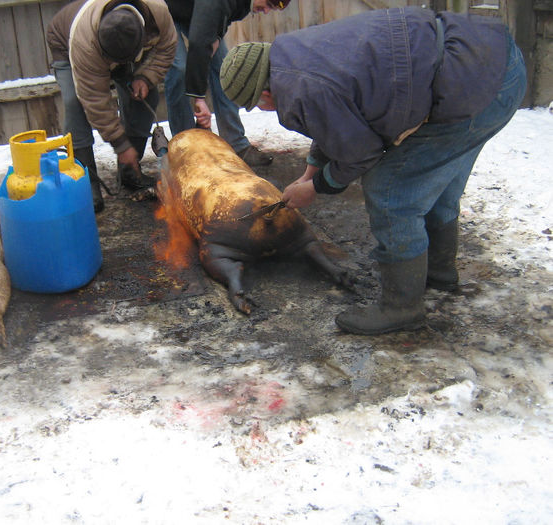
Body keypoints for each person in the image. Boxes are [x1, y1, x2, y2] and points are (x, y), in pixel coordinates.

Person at [220, 7, 526, 335]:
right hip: (490, 58)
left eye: (257, 105)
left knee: (389, 187)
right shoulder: (297, 53)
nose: (264, 109)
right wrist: (310, 170)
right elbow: (336, 117)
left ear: (264, 93)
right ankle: (437, 271)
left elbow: (361, 155)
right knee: (437, 176)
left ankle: (402, 307)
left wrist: (317, 187)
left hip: (474, 86)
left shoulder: (303, 90)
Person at [47, 0, 177, 213]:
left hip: (124, 47)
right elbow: (95, 101)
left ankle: (128, 172)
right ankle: (86, 183)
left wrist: (145, 77)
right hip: (66, 41)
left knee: (147, 96)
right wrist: (120, 145)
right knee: (75, 105)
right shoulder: (85, 44)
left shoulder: (157, 12)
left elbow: (167, 47)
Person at [163, 0, 290, 167]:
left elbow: (220, 20)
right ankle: (188, 151)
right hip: (164, 9)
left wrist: (216, 37)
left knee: (225, 67)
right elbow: (199, 43)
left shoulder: (245, 4)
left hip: (195, 8)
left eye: (272, 8)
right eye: (268, 4)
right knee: (179, 69)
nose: (266, 11)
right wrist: (198, 98)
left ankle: (236, 144)